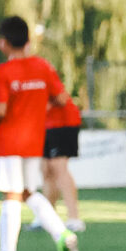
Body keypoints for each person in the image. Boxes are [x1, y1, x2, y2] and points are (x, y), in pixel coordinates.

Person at [0, 15, 78, 251]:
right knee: (28, 192)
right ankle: (62, 234)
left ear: (3, 44)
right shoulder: (42, 67)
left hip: (10, 141)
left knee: (11, 195)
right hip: (34, 140)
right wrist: (37, 107)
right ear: (28, 40)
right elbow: (62, 98)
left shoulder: (2, 73)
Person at [41, 75, 85, 238]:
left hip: (63, 124)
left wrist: (41, 106)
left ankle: (74, 218)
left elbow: (61, 97)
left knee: (59, 168)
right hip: (45, 125)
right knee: (46, 170)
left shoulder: (42, 72)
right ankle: (48, 217)